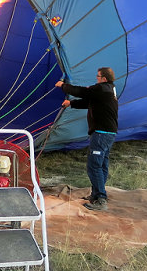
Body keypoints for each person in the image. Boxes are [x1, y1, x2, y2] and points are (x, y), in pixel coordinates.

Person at [55, 67, 118, 211]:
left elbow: (82, 92)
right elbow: (88, 102)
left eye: (98, 76)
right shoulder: (107, 90)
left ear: (104, 78)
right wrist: (71, 104)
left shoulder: (102, 88)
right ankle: (97, 196)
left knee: (94, 165)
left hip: (101, 133)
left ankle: (101, 199)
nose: (96, 78)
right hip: (108, 133)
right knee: (101, 165)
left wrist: (63, 86)